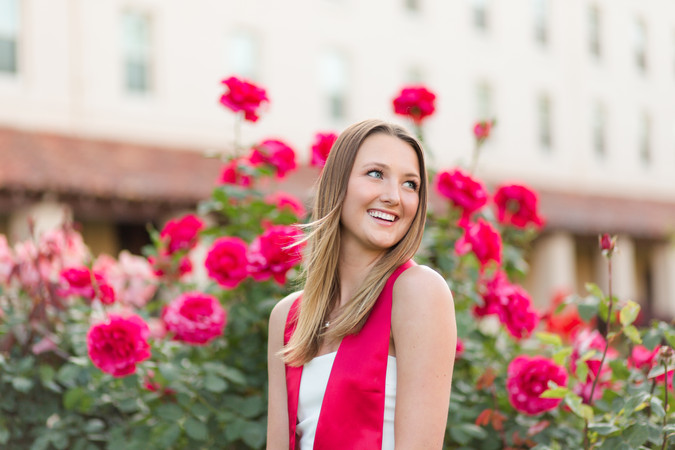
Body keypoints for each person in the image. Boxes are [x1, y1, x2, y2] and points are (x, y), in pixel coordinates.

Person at [267, 119, 456, 449]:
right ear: (338, 184)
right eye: (376, 174)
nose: (394, 197)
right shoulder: (287, 318)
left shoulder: (417, 292)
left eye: (411, 184)